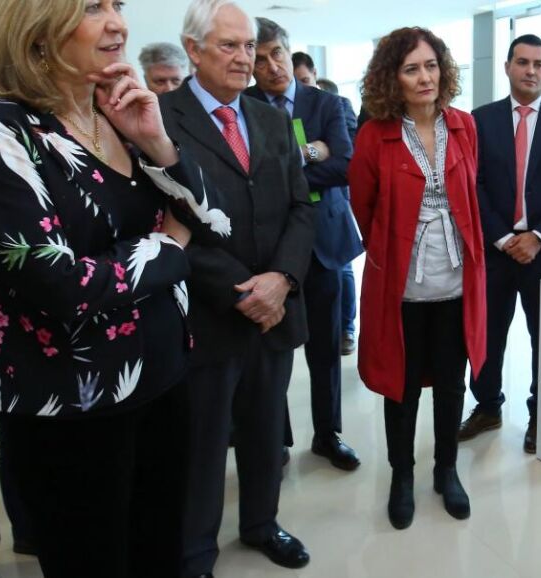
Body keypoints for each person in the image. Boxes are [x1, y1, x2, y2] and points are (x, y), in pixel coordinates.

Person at [0, 0, 230, 575]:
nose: (118, 22)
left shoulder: (115, 108)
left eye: (116, 6)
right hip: (73, 406)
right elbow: (61, 284)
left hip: (164, 376)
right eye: (93, 8)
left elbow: (216, 222)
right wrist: (170, 246)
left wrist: (158, 143)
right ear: (35, 27)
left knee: (161, 555)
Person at [159, 0, 315, 573]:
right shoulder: (161, 119)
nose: (245, 58)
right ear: (193, 50)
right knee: (203, 443)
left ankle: (261, 525)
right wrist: (246, 291)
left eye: (249, 45)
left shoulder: (270, 118)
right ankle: (196, 550)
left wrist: (282, 280)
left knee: (266, 430)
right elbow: (167, 222)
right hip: (210, 313)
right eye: (229, 45)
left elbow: (302, 206)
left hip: (276, 309)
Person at [349, 26, 486, 530]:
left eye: (431, 65)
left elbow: (471, 192)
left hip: (456, 279)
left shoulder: (465, 126)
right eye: (412, 69)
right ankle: (401, 475)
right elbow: (363, 207)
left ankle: (446, 469)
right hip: (401, 283)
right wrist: (394, 249)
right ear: (393, 78)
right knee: (400, 386)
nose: (425, 77)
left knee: (451, 383)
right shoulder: (374, 135)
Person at [460, 34, 541, 454]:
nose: (530, 70)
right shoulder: (481, 120)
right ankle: (487, 406)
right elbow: (473, 184)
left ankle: (540, 414)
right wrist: (502, 237)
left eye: (539, 64)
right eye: (522, 62)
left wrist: (538, 236)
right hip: (494, 250)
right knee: (487, 333)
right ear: (507, 67)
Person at [244, 16, 363, 472]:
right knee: (272, 352)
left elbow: (344, 165)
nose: (271, 66)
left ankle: (328, 435)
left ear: (289, 51)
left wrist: (285, 168)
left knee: (326, 350)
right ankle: (276, 439)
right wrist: (312, 152)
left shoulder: (327, 103)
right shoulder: (243, 106)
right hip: (269, 249)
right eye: (259, 59)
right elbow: (244, 177)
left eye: (277, 54)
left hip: (323, 245)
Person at [294, 53, 362, 354]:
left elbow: (345, 162)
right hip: (294, 215)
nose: (300, 87)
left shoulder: (335, 105)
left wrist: (293, 170)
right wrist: (311, 151)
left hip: (331, 210)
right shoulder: (274, 109)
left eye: (304, 80)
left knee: (342, 271)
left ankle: (346, 328)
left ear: (314, 74)